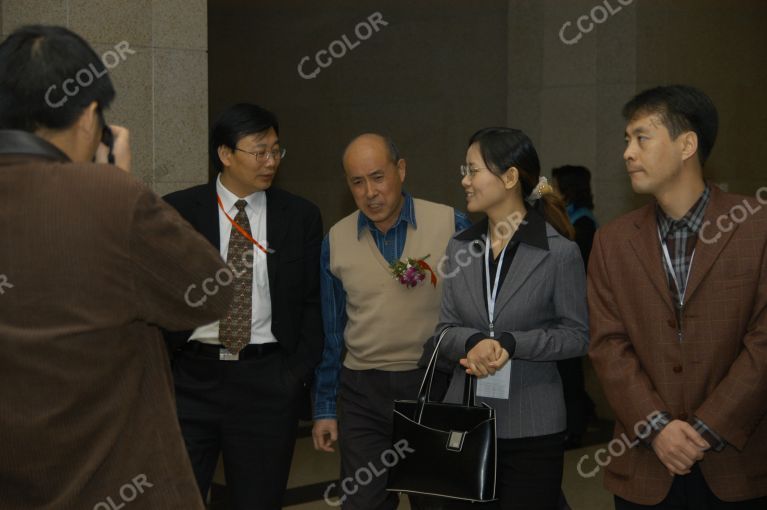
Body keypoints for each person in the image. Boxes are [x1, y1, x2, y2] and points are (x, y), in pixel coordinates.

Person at [0, 25, 233, 510]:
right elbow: (213, 292)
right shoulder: (108, 197)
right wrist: (121, 185)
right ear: (89, 116)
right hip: (122, 484)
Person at [588, 85, 767, 509]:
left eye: (642, 137)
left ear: (687, 144)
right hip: (646, 467)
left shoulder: (756, 227)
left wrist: (710, 425)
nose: (628, 153)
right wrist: (657, 427)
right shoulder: (612, 241)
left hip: (739, 465)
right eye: (626, 140)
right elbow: (608, 346)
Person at [162, 103, 324, 510]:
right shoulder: (179, 211)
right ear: (225, 154)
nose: (270, 162)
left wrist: (293, 374)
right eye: (259, 151)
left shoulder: (300, 216)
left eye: (276, 151)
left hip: (267, 382)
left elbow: (311, 302)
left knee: (258, 500)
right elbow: (157, 294)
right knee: (174, 497)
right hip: (191, 379)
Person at [432, 127, 589, 510]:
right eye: (464, 170)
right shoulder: (460, 247)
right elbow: (443, 331)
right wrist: (472, 342)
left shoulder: (559, 252)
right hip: (466, 419)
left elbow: (576, 336)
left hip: (532, 425)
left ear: (510, 176)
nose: (464, 181)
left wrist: (512, 343)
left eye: (473, 170)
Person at [312, 133, 471, 509]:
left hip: (431, 387)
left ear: (400, 170)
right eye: (357, 182)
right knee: (363, 502)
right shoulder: (335, 240)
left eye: (378, 176)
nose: (370, 191)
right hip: (362, 393)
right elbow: (333, 334)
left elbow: (475, 311)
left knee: (437, 502)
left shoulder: (451, 223)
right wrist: (324, 408)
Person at [551, 164, 598, 449]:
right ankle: (583, 411)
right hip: (563, 305)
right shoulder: (567, 218)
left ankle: (575, 428)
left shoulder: (584, 224)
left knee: (570, 371)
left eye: (555, 185)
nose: (551, 189)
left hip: (576, 307)